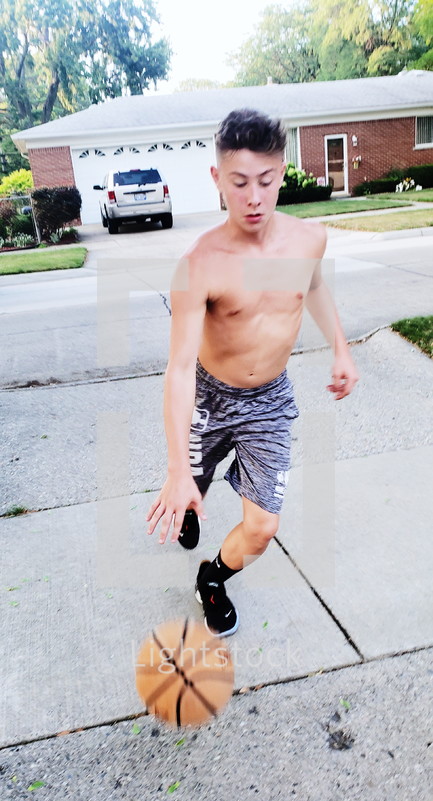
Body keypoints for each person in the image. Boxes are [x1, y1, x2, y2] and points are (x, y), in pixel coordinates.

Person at [146, 108, 359, 637]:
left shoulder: (310, 239)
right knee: (189, 484)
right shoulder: (200, 265)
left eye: (266, 181)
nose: (255, 197)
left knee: (263, 528)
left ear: (282, 171)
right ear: (218, 179)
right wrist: (175, 469)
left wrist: (341, 348)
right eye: (239, 183)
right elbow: (178, 371)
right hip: (210, 398)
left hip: (269, 400)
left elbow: (311, 287)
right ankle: (193, 492)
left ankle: (212, 579)